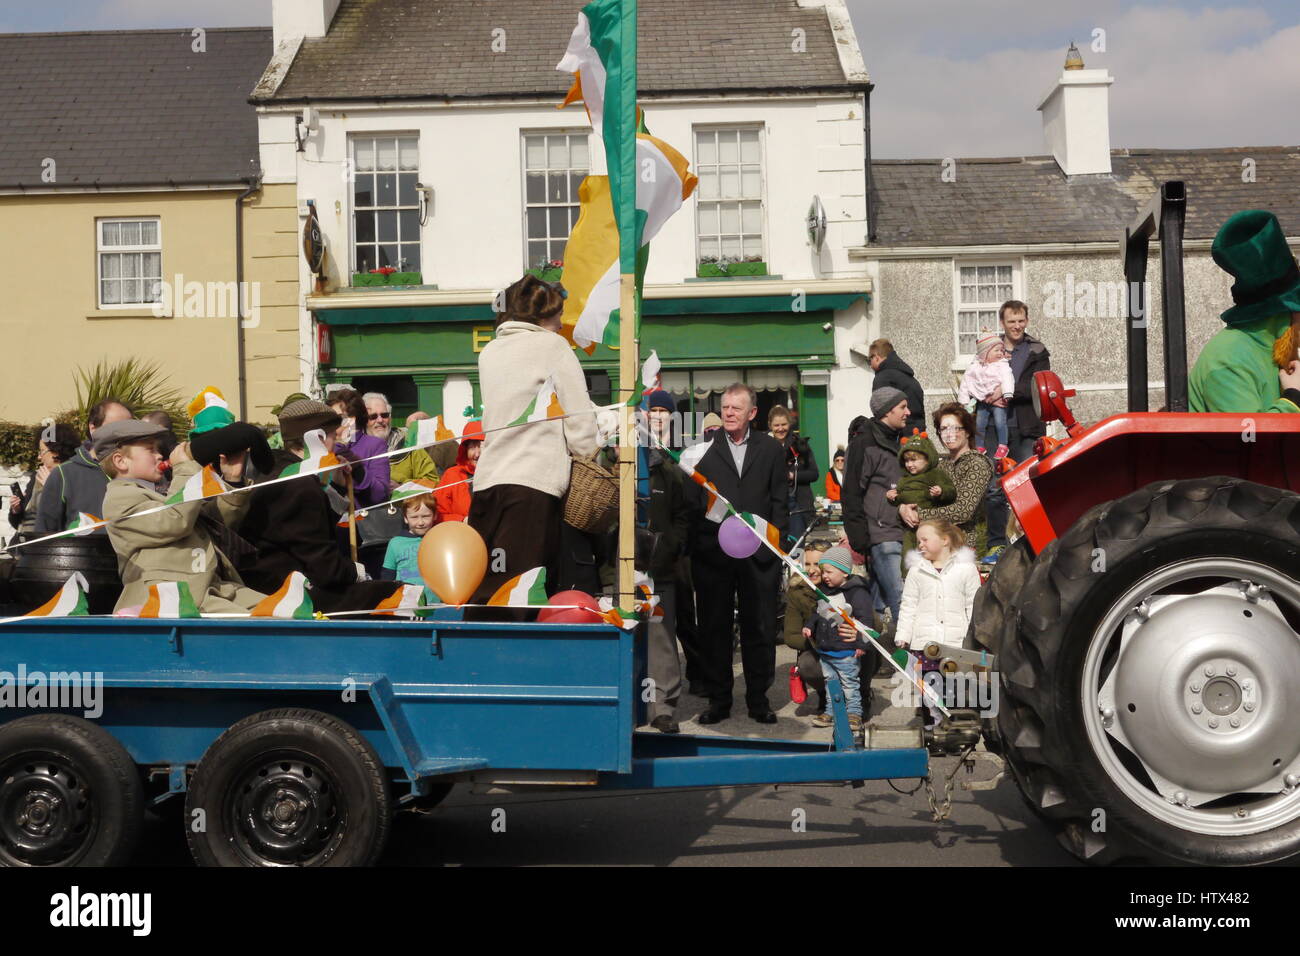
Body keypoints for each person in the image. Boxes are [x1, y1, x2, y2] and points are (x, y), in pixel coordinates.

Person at [467, 274, 598, 616]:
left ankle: (475, 659)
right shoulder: (552, 347)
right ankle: (518, 664)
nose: (560, 323)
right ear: (542, 317)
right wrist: (588, 455)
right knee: (523, 588)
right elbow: (579, 415)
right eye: (557, 315)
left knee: (486, 585)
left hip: (487, 483)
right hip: (533, 483)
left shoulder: (490, 352)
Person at [236, 399, 398, 613]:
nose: (337, 444)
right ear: (318, 440)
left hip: (284, 580)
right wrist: (357, 572)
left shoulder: (277, 470)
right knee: (399, 595)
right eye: (333, 436)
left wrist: (338, 488)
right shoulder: (298, 484)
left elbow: (310, 531)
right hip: (286, 592)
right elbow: (324, 567)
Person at [687, 382, 787, 725]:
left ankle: (759, 699)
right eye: (725, 407)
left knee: (759, 628)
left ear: (752, 413)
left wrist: (776, 546)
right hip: (714, 556)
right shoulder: (701, 451)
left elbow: (779, 502)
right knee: (714, 629)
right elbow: (693, 504)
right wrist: (700, 544)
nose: (729, 413)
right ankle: (719, 700)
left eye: (736, 408)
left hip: (759, 555)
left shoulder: (772, 450)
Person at [97, 420, 266, 615]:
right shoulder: (120, 498)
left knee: (284, 613)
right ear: (120, 461)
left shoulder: (160, 492)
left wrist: (232, 480)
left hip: (210, 588)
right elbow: (175, 522)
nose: (159, 455)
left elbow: (211, 524)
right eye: (150, 450)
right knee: (264, 625)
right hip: (174, 596)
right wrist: (185, 468)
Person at [1190, 210, 1300, 414]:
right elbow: (1251, 442)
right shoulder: (1229, 361)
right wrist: (1293, 398)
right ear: (1285, 311)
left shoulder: (1274, 351)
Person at [894, 518, 981, 726]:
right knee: (928, 689)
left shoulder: (966, 569)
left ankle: (957, 729)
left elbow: (973, 605)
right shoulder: (916, 570)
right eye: (918, 541)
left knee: (955, 688)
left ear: (944, 540)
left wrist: (973, 638)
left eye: (925, 539)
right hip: (924, 644)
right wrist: (903, 635)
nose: (920, 545)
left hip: (955, 642)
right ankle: (932, 730)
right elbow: (909, 605)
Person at [983, 300, 1051, 563]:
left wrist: (1006, 392)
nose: (1017, 326)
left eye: (1021, 320)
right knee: (994, 488)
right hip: (994, 428)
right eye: (1011, 321)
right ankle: (996, 545)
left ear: (1027, 321)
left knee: (1028, 485)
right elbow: (977, 376)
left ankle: (1034, 539)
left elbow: (1038, 383)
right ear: (1003, 323)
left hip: (1026, 427)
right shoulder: (989, 348)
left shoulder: (1037, 349)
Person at [842, 387, 911, 638]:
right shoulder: (864, 444)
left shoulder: (897, 441)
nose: (908, 412)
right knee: (902, 600)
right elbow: (850, 491)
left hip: (901, 531)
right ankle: (915, 663)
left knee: (877, 605)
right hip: (881, 534)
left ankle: (870, 655)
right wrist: (859, 536)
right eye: (902, 407)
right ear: (886, 411)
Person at [642, 390, 691, 733]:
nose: (657, 416)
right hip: (621, 566)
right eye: (652, 410)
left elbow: (684, 514)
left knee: (661, 635)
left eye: (663, 411)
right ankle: (629, 705)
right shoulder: (621, 456)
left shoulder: (675, 465)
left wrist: (669, 545)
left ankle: (663, 707)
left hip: (661, 565)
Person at [900, 403, 994, 557]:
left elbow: (964, 510)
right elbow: (916, 491)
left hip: (962, 549)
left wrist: (921, 514)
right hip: (932, 547)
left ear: (968, 432)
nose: (949, 434)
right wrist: (903, 508)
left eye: (955, 428)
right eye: (944, 429)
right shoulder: (940, 464)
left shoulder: (977, 464)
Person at [801, 546, 873, 734]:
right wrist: (809, 625)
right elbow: (818, 613)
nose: (824, 575)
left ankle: (854, 713)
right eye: (823, 571)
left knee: (849, 684)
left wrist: (861, 643)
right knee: (831, 683)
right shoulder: (825, 591)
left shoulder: (857, 593)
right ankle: (832, 711)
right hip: (827, 650)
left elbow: (866, 621)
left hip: (846, 650)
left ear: (845, 572)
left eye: (829, 572)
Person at [35, 397, 133, 535]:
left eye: (129, 428)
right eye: (115, 427)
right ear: (93, 428)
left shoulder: (141, 471)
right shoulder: (65, 474)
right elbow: (44, 534)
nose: (125, 435)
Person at [9, 423, 80, 538]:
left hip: (47, 546)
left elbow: (73, 520)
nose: (39, 457)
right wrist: (16, 510)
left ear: (56, 451)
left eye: (42, 451)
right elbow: (21, 522)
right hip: (23, 544)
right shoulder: (37, 476)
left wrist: (51, 488)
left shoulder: (72, 476)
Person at [782, 546, 827, 717]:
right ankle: (825, 694)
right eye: (807, 564)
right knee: (807, 664)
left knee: (868, 651)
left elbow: (874, 624)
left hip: (849, 648)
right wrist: (819, 641)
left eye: (818, 564)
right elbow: (791, 636)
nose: (812, 570)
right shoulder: (797, 591)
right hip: (818, 647)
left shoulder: (848, 585)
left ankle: (862, 693)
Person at [958, 331, 1016, 460]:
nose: (1001, 353)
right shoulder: (975, 367)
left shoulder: (1002, 364)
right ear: (986, 352)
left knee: (1000, 421)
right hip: (982, 399)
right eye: (997, 350)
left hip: (1000, 400)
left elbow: (1008, 379)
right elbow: (966, 383)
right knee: (979, 423)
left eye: (1002, 350)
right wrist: (964, 400)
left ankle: (1003, 445)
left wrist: (1007, 393)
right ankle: (979, 446)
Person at [768, 405, 819, 546]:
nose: (780, 428)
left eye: (784, 424)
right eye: (776, 425)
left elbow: (814, 474)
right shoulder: (765, 447)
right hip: (774, 505)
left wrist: (792, 475)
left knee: (797, 550)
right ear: (770, 426)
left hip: (798, 506)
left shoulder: (801, 445)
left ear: (790, 424)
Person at [380, 490, 441, 602]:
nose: (421, 522)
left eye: (426, 516)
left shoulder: (441, 540)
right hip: (405, 605)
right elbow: (387, 576)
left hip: (437, 604)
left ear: (435, 515)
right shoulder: (395, 543)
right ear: (405, 518)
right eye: (414, 517)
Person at [868, 339, 925, 434]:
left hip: (898, 439)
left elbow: (881, 412)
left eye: (869, 360)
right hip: (918, 434)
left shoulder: (883, 377)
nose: (870, 365)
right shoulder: (909, 377)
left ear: (877, 358)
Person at [891, 431, 956, 508]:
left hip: (929, 517)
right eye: (906, 460)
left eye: (913, 460)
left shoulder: (936, 474)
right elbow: (899, 499)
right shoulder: (905, 478)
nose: (909, 464)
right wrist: (892, 497)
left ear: (927, 459)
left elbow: (951, 492)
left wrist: (941, 491)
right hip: (906, 517)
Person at [434, 419, 482, 523]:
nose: (477, 454)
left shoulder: (500, 474)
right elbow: (437, 514)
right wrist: (462, 520)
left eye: (481, 446)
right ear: (465, 450)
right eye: (472, 447)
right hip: (462, 533)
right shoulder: (452, 475)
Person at [392, 411, 444, 483]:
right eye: (407, 428)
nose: (408, 432)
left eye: (413, 428)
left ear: (425, 427)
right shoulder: (408, 447)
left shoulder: (443, 445)